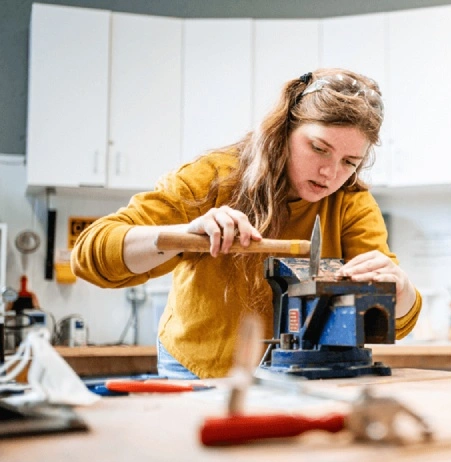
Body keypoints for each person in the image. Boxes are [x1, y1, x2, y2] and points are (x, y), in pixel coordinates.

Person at [71, 68, 421, 379]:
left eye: (349, 161)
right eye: (318, 148)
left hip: (303, 373)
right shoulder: (212, 178)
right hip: (200, 370)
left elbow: (394, 318)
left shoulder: (350, 200)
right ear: (284, 129)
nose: (331, 173)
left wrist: (400, 289)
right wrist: (184, 234)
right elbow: (90, 255)